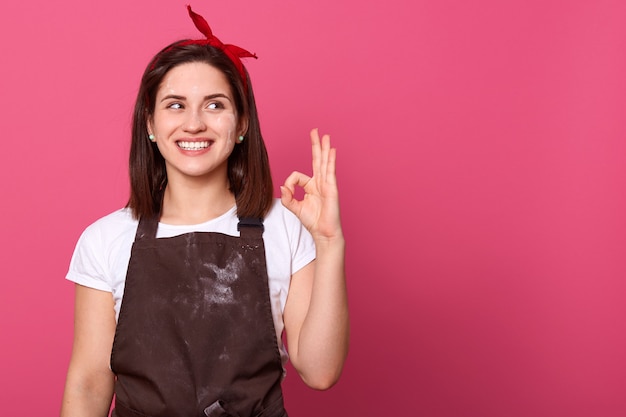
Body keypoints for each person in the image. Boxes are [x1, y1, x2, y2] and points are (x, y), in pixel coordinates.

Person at [60, 6, 348, 417]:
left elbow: (321, 372)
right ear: (151, 125)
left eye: (214, 105)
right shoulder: (105, 239)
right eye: (175, 105)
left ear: (242, 122)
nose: (194, 123)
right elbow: (88, 384)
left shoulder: (285, 225)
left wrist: (330, 242)